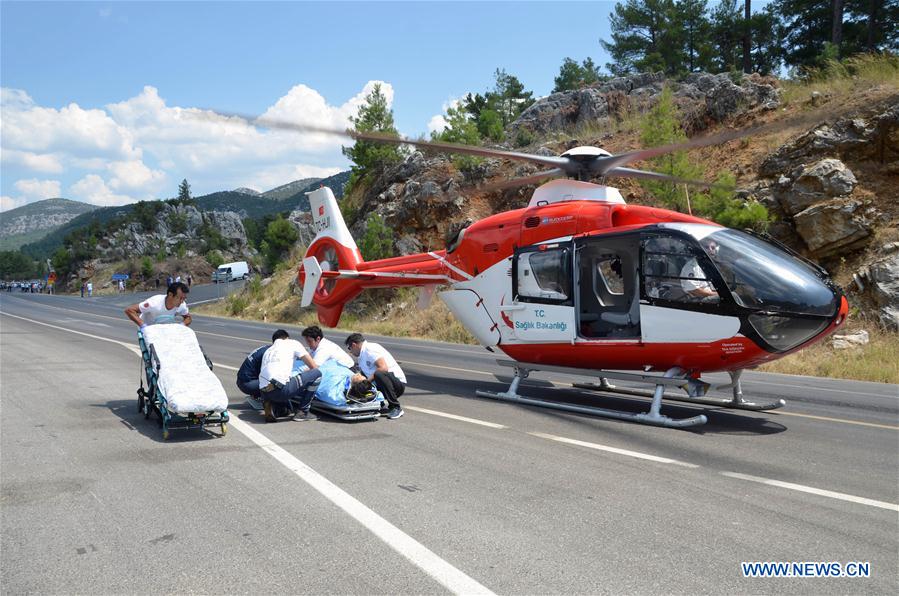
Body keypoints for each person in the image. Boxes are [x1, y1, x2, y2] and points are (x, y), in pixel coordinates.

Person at [258, 329, 321, 422]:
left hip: (264, 392)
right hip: (281, 390)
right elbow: (313, 366)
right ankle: (303, 412)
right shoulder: (293, 343)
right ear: (287, 337)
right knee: (317, 374)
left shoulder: (268, 351)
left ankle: (274, 407)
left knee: (287, 408)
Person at [345, 333, 406, 419]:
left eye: (349, 348)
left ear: (354, 345)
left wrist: (367, 382)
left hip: (397, 384)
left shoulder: (370, 349)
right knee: (359, 382)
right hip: (384, 384)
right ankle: (379, 403)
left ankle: (396, 407)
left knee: (378, 374)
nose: (350, 352)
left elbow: (383, 368)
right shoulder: (362, 355)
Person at [124, 282, 192, 330]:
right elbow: (129, 310)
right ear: (170, 295)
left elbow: (188, 318)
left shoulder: (182, 305)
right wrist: (143, 325)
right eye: (179, 298)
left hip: (164, 330)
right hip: (149, 329)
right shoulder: (154, 303)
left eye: (184, 298)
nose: (182, 301)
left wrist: (181, 325)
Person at [237, 344, 269, 410]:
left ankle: (257, 395)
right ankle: (265, 401)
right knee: (275, 381)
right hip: (247, 384)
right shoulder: (269, 353)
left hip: (243, 380)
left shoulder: (266, 348)